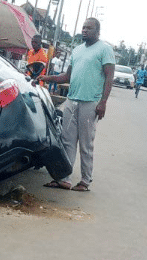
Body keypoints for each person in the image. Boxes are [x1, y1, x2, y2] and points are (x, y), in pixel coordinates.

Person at [39, 18, 115, 192]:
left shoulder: (105, 49)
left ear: (98, 31)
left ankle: (85, 181)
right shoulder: (77, 50)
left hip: (91, 102)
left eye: (89, 28)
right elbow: (67, 77)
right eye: (83, 27)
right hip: (72, 100)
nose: (84, 30)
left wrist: (103, 102)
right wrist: (48, 78)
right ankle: (64, 178)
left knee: (86, 144)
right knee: (67, 141)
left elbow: (109, 77)